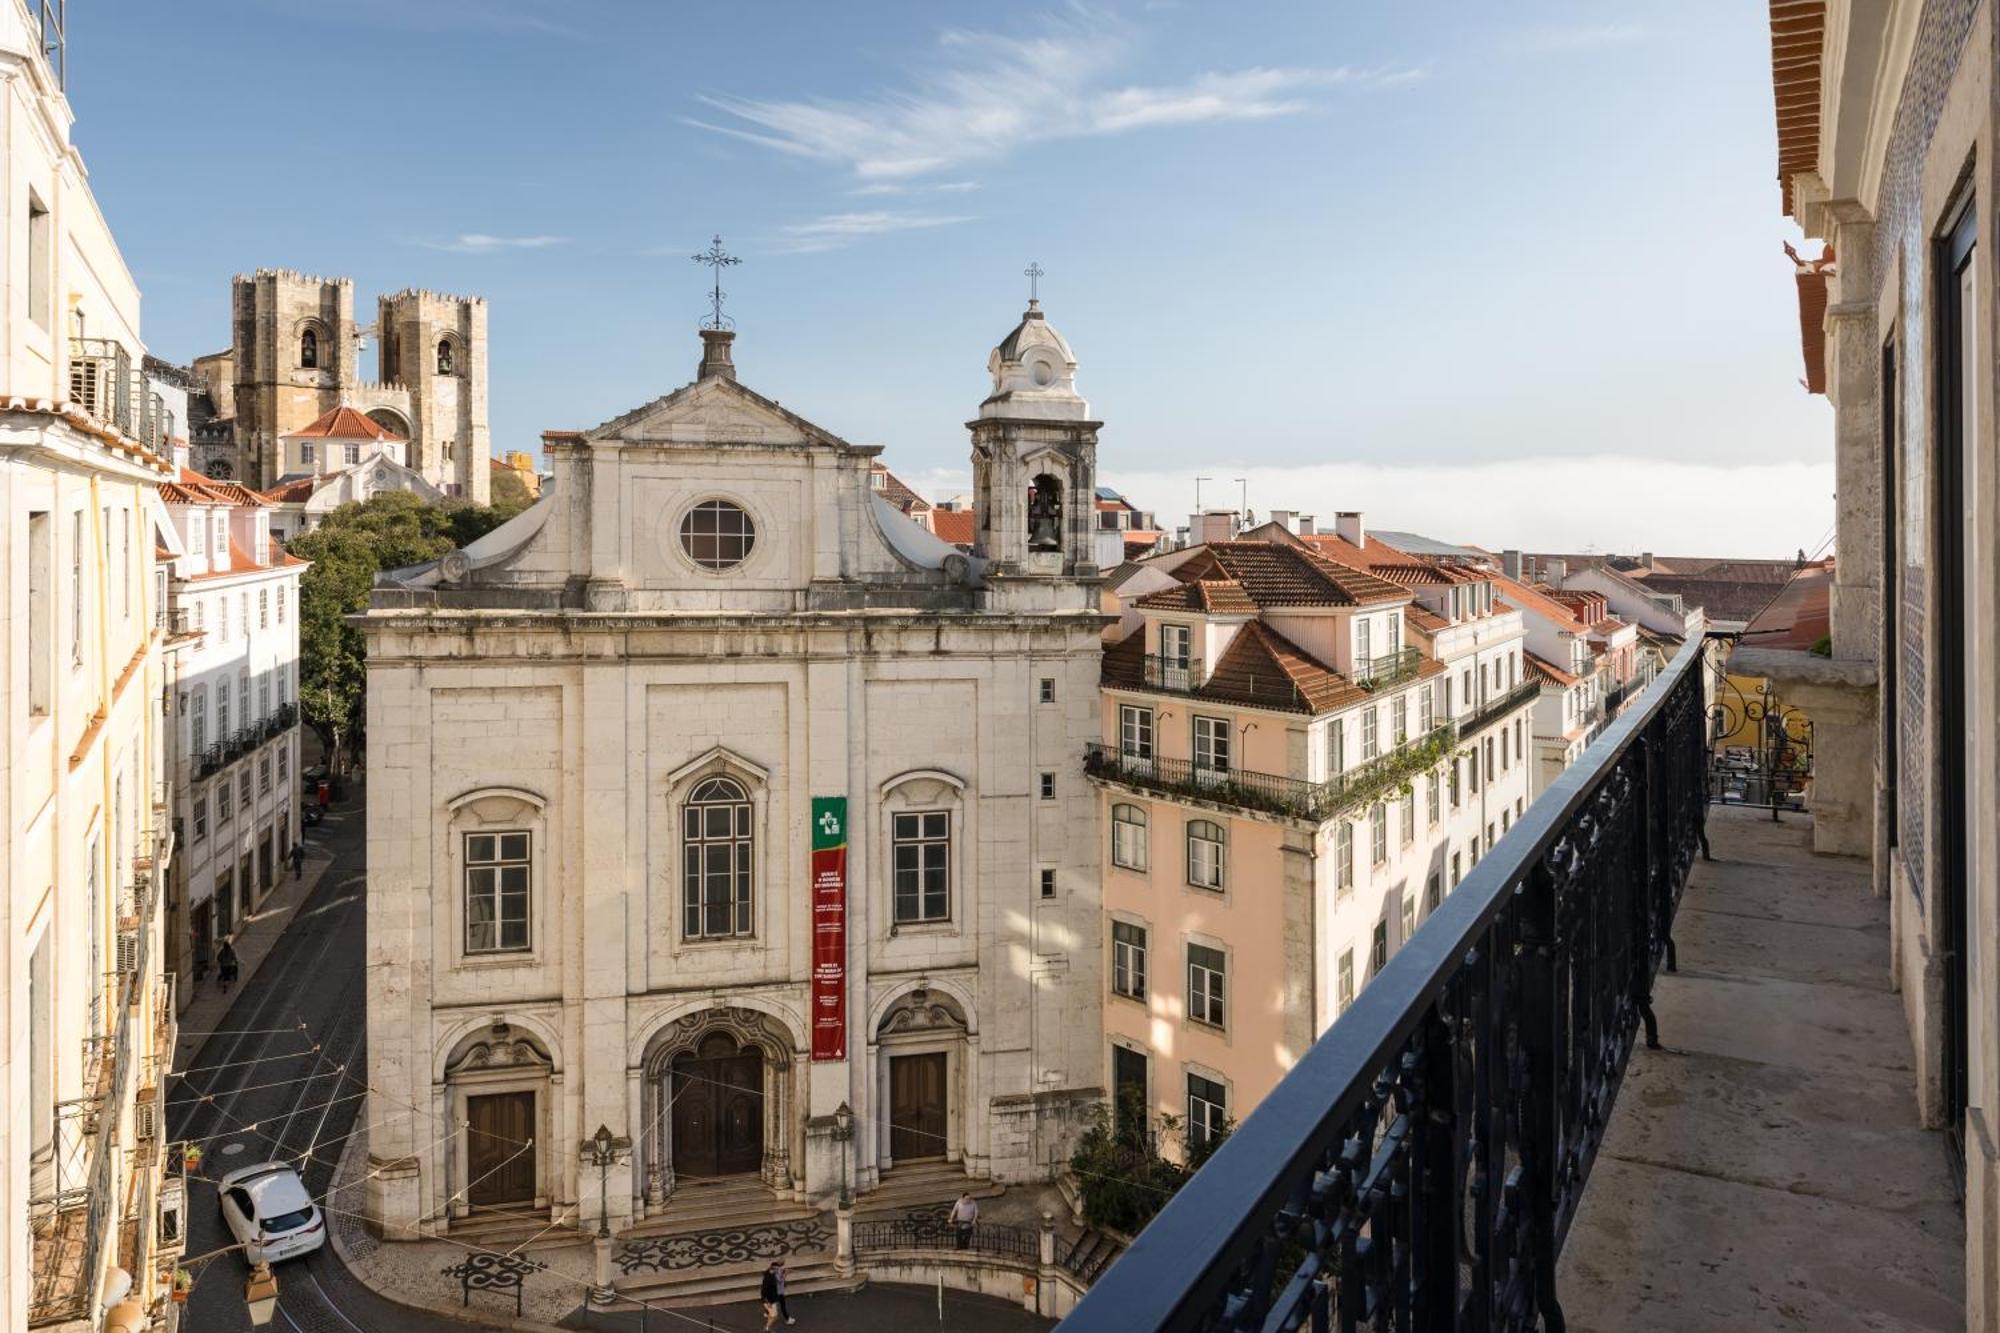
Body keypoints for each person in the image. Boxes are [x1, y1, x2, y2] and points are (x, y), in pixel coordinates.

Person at [759, 1261, 783, 1331]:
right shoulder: (768, 1279)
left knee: (771, 1315)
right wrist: (768, 1302)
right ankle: (766, 1328)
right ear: (773, 1269)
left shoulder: (769, 1274)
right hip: (769, 1301)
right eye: (777, 1269)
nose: (778, 1270)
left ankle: (768, 1328)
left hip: (772, 1299)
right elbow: (763, 1292)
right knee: (775, 1316)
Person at [774, 1258, 794, 1326]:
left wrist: (786, 1271)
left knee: (774, 1302)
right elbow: (779, 1280)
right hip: (778, 1292)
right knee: (783, 1306)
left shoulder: (777, 1269)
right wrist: (786, 1274)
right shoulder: (776, 1271)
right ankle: (787, 1319)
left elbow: (781, 1272)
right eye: (783, 1263)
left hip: (777, 1290)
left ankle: (767, 1313)